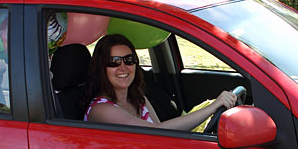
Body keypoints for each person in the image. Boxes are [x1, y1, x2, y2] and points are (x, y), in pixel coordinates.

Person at [83, 33, 236, 130]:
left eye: (129, 60)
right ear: (102, 68)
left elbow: (161, 135)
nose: (123, 67)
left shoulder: (139, 99)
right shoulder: (101, 110)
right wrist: (213, 107)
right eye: (114, 61)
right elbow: (159, 131)